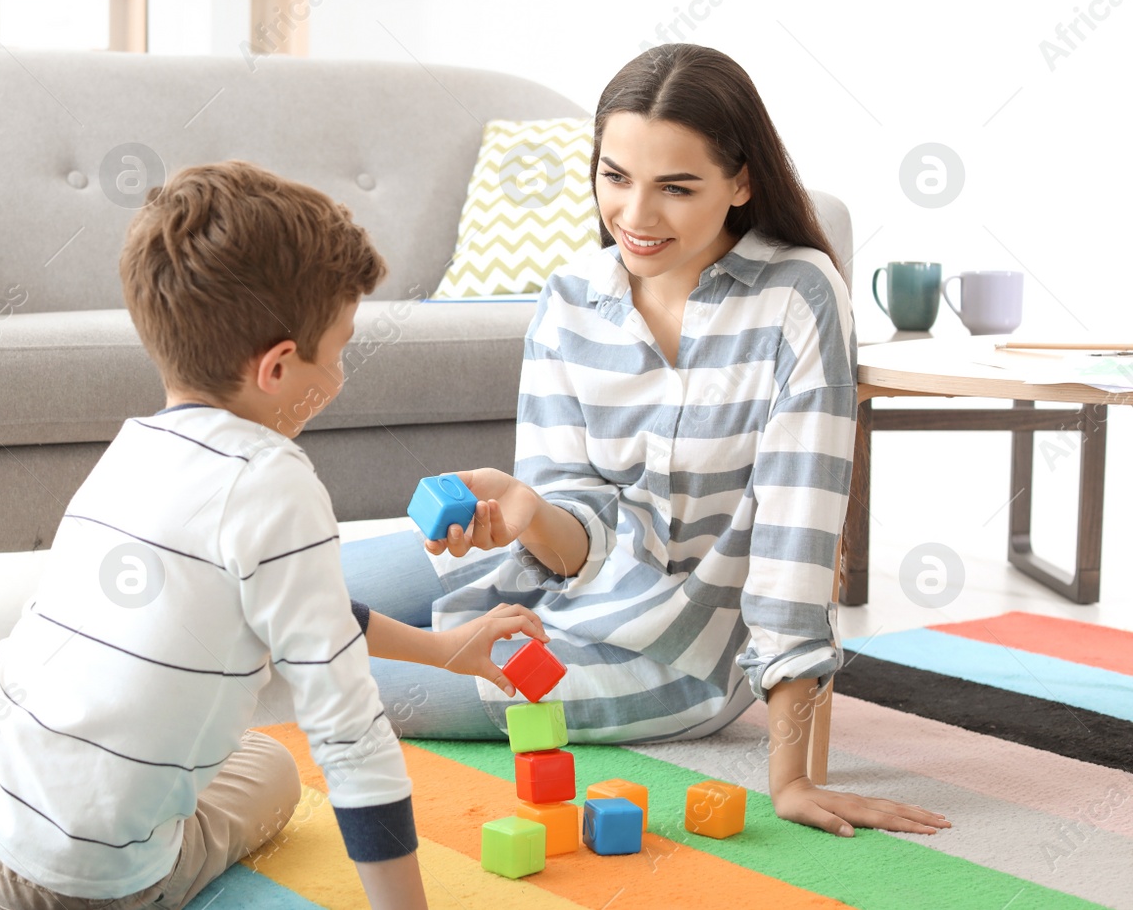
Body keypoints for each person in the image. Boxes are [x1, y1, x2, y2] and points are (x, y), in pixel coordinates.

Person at [0, 161, 545, 910]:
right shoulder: (277, 484)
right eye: (338, 350)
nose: (343, 372)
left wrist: (445, 649)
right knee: (273, 772)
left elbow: (306, 610)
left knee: (44, 690)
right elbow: (350, 736)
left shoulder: (133, 447)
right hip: (73, 884)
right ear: (279, 367)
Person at [342, 44, 952, 840]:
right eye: (615, 177)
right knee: (290, 584)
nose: (635, 215)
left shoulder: (797, 296)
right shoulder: (570, 299)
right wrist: (528, 510)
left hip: (680, 650)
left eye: (677, 187)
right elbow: (577, 535)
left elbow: (794, 543)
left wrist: (794, 777)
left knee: (361, 678)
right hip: (547, 576)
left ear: (741, 182)